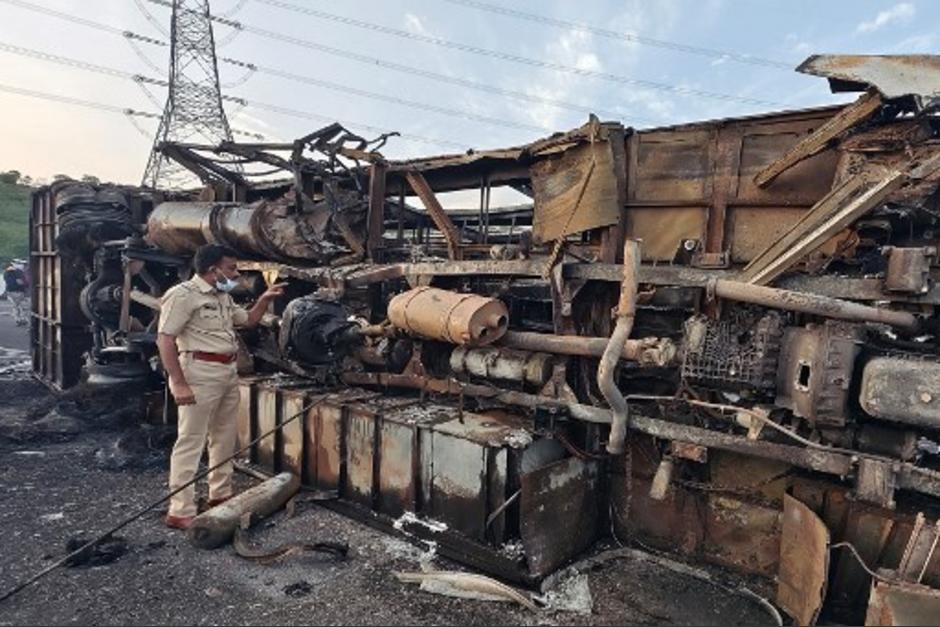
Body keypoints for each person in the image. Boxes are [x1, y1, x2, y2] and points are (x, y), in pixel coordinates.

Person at [156, 244, 285, 530]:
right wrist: (178, 382)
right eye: (231, 268)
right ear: (213, 269)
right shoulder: (182, 296)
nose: (235, 274)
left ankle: (220, 495)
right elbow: (165, 340)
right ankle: (180, 510)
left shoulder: (222, 296)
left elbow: (249, 321)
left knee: (224, 437)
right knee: (191, 440)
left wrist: (265, 298)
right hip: (198, 371)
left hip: (226, 371)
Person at [3, 260, 28, 326]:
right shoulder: (19, 272)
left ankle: (18, 319)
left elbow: (7, 282)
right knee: (22, 306)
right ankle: (23, 319)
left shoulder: (6, 273)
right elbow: (21, 282)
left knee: (15, 306)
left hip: (10, 291)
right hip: (19, 291)